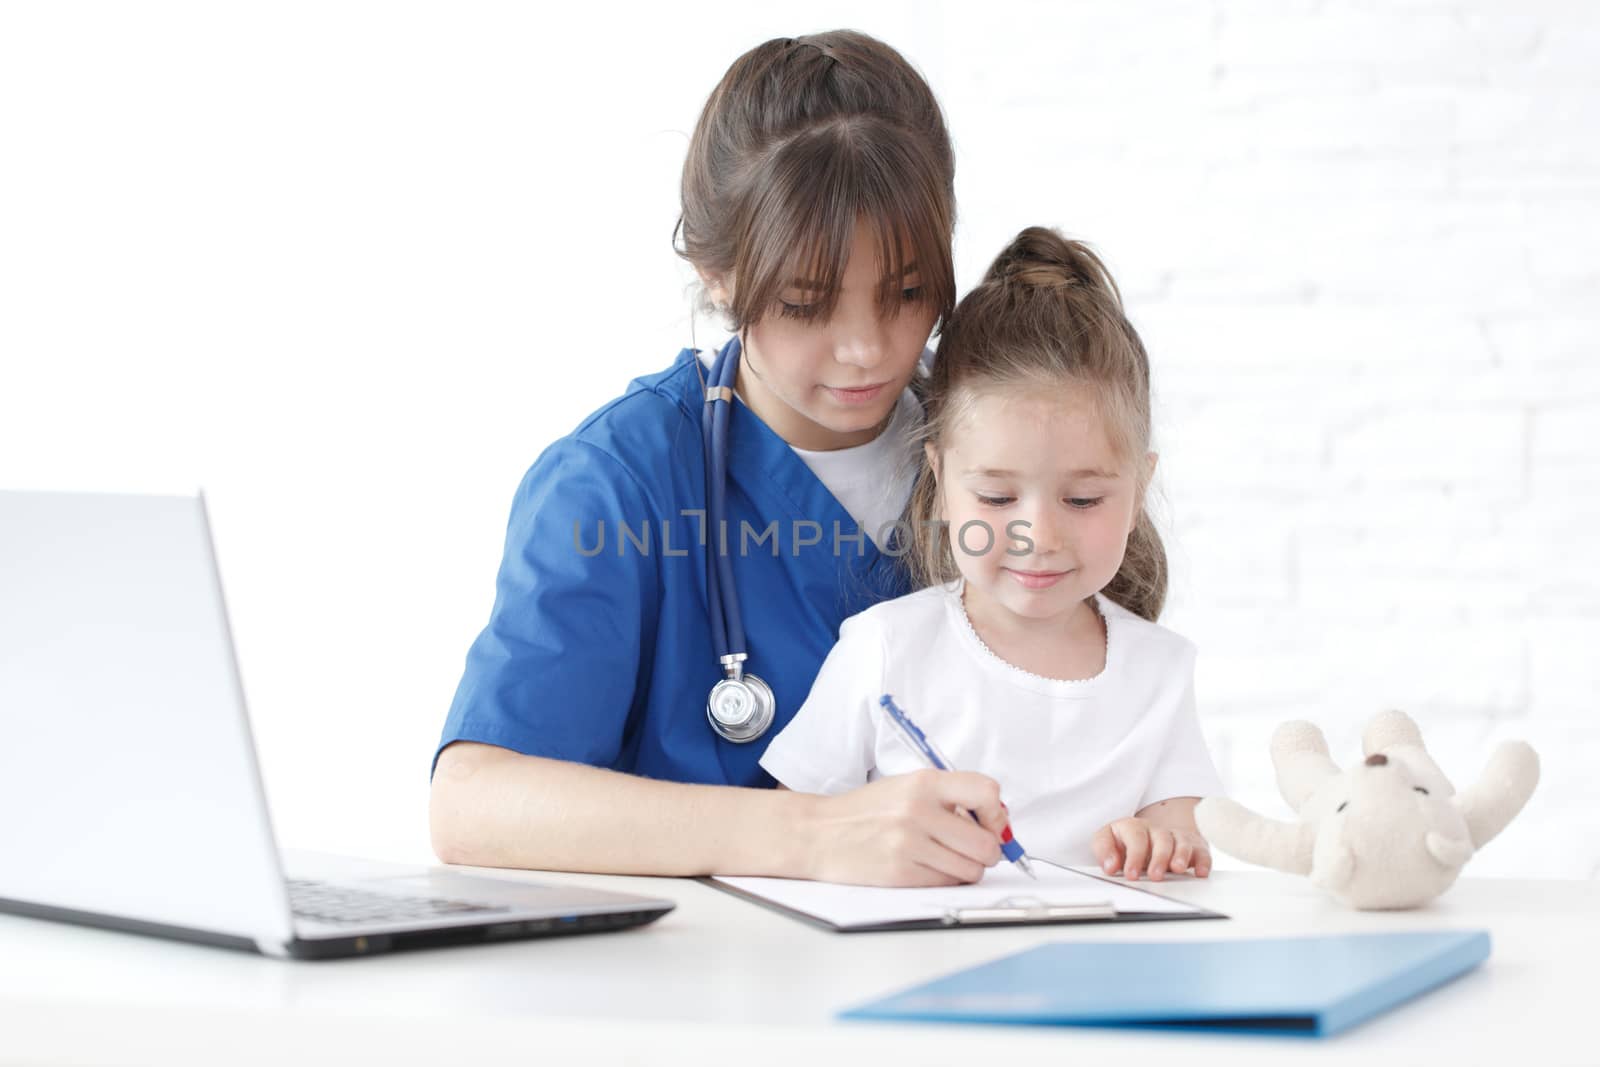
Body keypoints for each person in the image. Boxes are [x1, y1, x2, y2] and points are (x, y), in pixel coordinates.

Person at [429, 30, 1018, 887]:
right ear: (717, 271)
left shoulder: (1008, 455)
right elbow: (472, 801)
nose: (867, 350)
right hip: (705, 997)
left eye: (909, 292)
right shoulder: (619, 482)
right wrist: (810, 834)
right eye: (806, 302)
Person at [759, 226, 1225, 883]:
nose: (1038, 535)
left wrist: (1161, 843)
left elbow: (1186, 834)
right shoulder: (886, 648)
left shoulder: (1159, 671)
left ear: (1139, 488)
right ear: (942, 480)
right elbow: (792, 828)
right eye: (999, 497)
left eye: (1085, 499)